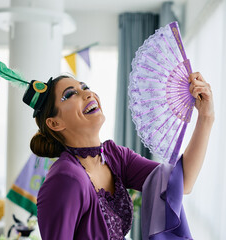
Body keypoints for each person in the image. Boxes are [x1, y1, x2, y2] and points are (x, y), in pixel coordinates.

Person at [31, 72, 214, 239]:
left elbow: (181, 183)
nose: (88, 94)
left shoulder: (115, 157)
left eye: (84, 87)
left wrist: (206, 117)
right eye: (70, 94)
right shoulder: (65, 178)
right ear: (55, 123)